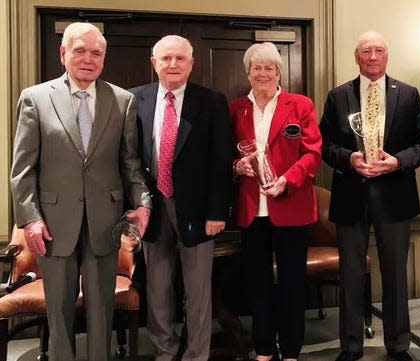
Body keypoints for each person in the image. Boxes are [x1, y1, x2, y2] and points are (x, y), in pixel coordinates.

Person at [10, 22, 151, 361]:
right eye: (80, 50)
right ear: (63, 54)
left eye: (96, 53)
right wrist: (30, 219)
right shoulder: (35, 98)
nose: (88, 59)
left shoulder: (123, 101)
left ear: (104, 59)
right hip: (53, 225)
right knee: (59, 311)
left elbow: (130, 163)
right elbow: (23, 169)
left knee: (102, 309)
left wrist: (143, 202)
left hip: (106, 221)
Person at [320, 30, 420, 361]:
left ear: (387, 55)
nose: (372, 56)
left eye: (379, 51)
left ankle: (398, 345)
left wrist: (398, 161)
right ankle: (351, 346)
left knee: (396, 274)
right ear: (357, 57)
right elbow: (326, 146)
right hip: (350, 196)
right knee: (351, 275)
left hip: (395, 195)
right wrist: (349, 159)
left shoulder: (409, 94)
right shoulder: (338, 96)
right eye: (366, 51)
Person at [130, 35, 232, 361]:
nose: (173, 64)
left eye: (180, 59)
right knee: (157, 290)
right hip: (152, 208)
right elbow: (129, 158)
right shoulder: (135, 100)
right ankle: (164, 351)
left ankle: (196, 355)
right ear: (154, 63)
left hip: (199, 211)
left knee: (197, 291)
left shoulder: (212, 101)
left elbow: (220, 161)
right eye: (166, 58)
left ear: (191, 63)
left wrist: (218, 212)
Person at [230, 42, 321, 361]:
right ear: (248, 72)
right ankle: (265, 347)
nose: (263, 73)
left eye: (269, 67)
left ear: (279, 72)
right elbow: (225, 153)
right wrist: (236, 165)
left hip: (291, 206)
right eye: (257, 67)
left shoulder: (300, 104)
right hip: (252, 210)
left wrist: (287, 180)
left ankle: (292, 348)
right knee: (257, 283)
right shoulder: (235, 108)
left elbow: (313, 154)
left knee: (293, 283)